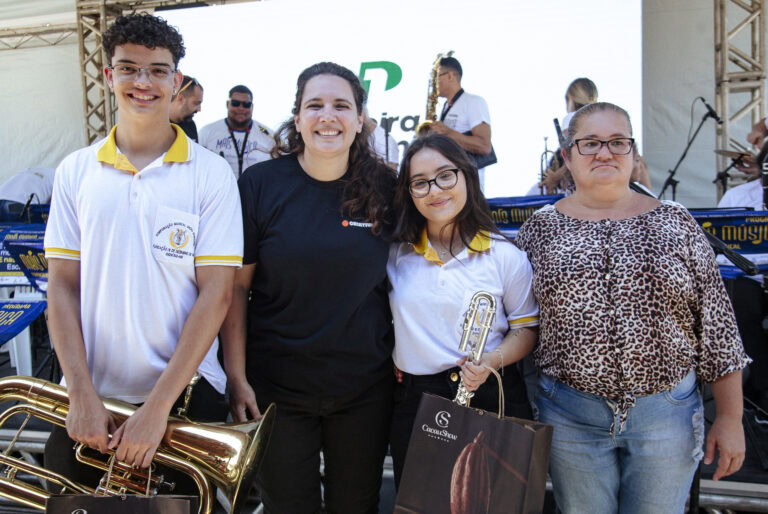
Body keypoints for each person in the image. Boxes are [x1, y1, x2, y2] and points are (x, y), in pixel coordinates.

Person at [515, 102, 750, 513]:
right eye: (590, 143)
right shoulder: (539, 229)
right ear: (567, 155)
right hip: (570, 417)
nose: (604, 153)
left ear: (633, 153)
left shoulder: (676, 222)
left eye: (617, 142)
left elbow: (718, 329)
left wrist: (730, 418)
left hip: (666, 417)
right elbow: (519, 322)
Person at [43, 12, 242, 491]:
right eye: (129, 68)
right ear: (108, 75)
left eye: (157, 70)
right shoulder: (75, 171)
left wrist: (156, 408)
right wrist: (79, 392)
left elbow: (216, 294)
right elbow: (62, 288)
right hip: (91, 399)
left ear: (175, 80)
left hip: (183, 402)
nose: (143, 82)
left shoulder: (211, 174)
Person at [221, 62, 397, 513]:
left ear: (360, 119)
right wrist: (237, 377)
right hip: (276, 391)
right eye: (314, 105)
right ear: (297, 118)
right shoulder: (260, 185)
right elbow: (236, 290)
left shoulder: (386, 188)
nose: (327, 116)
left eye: (341, 105)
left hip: (363, 390)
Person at [387, 134, 538, 488]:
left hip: (489, 392)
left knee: (494, 503)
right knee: (421, 503)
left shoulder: (504, 255)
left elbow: (526, 329)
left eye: (445, 175)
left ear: (466, 176)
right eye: (420, 182)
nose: (435, 190)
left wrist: (490, 362)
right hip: (416, 399)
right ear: (409, 193)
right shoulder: (396, 253)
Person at [535, 78, 650, 195]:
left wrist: (554, 177)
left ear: (569, 99)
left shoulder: (570, 119)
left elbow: (573, 157)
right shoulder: (603, 115)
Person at [428, 56, 493, 190]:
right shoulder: (446, 106)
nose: (433, 83)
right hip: (449, 181)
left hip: (469, 185)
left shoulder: (474, 102)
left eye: (436, 77)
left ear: (450, 76)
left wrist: (447, 133)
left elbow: (484, 146)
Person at [199, 84, 274, 177]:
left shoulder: (269, 135)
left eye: (246, 105)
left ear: (252, 107)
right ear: (227, 104)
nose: (241, 108)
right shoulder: (207, 132)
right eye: (235, 103)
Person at [169, 75, 203, 142]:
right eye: (196, 103)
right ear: (180, 98)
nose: (199, 109)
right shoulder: (157, 125)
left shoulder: (190, 125)